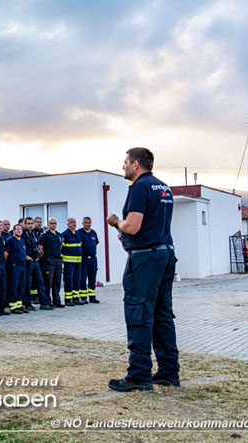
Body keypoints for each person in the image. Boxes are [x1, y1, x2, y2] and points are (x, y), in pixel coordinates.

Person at [106, 147, 179, 392]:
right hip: (165, 253)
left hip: (145, 259)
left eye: (125, 162)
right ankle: (169, 371)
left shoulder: (139, 187)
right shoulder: (164, 187)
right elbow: (149, 225)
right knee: (162, 314)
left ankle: (139, 375)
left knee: (138, 313)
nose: (123, 166)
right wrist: (128, 233)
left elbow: (133, 226)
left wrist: (116, 222)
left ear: (136, 164)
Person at [23, 217, 49, 311]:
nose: (30, 225)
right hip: (28, 262)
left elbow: (36, 245)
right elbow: (22, 247)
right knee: (28, 283)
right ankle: (28, 303)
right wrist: (26, 256)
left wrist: (38, 255)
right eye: (28, 223)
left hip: (36, 261)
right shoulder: (23, 234)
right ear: (25, 224)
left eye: (31, 223)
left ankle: (44, 303)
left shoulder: (33, 233)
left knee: (40, 282)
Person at [38, 218, 64, 308]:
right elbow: (40, 246)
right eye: (51, 223)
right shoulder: (45, 235)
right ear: (48, 224)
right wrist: (45, 255)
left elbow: (60, 246)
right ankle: (47, 302)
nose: (53, 225)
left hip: (58, 260)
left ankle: (57, 301)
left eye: (55, 223)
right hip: (49, 260)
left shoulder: (59, 235)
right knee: (48, 282)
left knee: (57, 282)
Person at [77, 216, 100, 304]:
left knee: (92, 278)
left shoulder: (93, 232)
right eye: (86, 223)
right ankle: (83, 297)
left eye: (89, 223)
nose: (88, 224)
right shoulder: (79, 232)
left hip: (93, 259)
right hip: (84, 258)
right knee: (83, 278)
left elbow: (96, 243)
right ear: (83, 223)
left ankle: (92, 297)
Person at [5, 224, 26, 314]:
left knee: (21, 287)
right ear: (13, 231)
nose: (18, 231)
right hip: (14, 266)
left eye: (20, 229)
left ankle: (19, 305)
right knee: (14, 286)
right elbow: (6, 253)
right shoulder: (10, 240)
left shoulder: (22, 240)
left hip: (22, 266)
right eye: (17, 229)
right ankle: (13, 306)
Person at [61, 218, 82, 307]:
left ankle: (75, 298)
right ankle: (68, 299)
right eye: (71, 222)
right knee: (69, 280)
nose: (73, 224)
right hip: (69, 262)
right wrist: (62, 258)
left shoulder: (78, 233)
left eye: (74, 222)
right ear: (68, 224)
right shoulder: (65, 234)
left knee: (77, 280)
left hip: (78, 261)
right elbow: (60, 247)